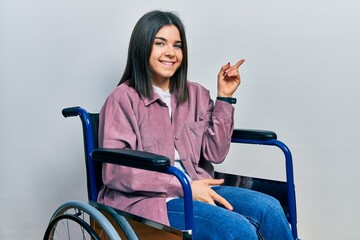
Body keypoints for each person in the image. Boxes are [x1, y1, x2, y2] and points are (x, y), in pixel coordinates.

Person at [97, 10, 293, 240]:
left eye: (177, 46)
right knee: (236, 230)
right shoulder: (123, 98)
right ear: (142, 47)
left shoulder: (196, 94)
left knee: (269, 207)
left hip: (197, 186)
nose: (170, 53)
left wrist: (224, 98)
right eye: (160, 43)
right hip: (148, 201)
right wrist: (184, 187)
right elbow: (115, 171)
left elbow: (215, 153)